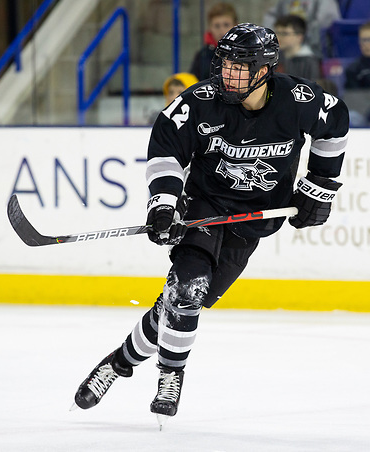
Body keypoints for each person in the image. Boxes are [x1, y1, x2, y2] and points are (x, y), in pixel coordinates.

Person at [72, 23, 349, 426]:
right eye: (225, 64)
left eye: (240, 67)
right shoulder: (200, 101)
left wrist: (318, 187)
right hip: (203, 207)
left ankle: (117, 363)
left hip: (254, 219)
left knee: (180, 306)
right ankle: (171, 374)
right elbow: (166, 151)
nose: (227, 74)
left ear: (265, 69)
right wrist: (164, 204)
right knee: (187, 288)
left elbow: (335, 124)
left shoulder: (299, 100)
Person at [263, 0, 341, 54]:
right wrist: (273, 37)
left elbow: (324, 23)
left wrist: (302, 38)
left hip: (313, 48)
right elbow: (271, 17)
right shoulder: (285, 1)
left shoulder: (324, 2)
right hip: (286, 49)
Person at [189, 2, 238, 81]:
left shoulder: (245, 53)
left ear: (235, 25)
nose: (221, 30)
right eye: (217, 26)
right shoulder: (202, 55)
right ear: (210, 28)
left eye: (226, 25)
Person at [274, 14, 322, 81]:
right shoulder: (275, 58)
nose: (278, 37)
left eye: (284, 33)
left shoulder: (309, 62)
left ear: (299, 37)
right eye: (277, 33)